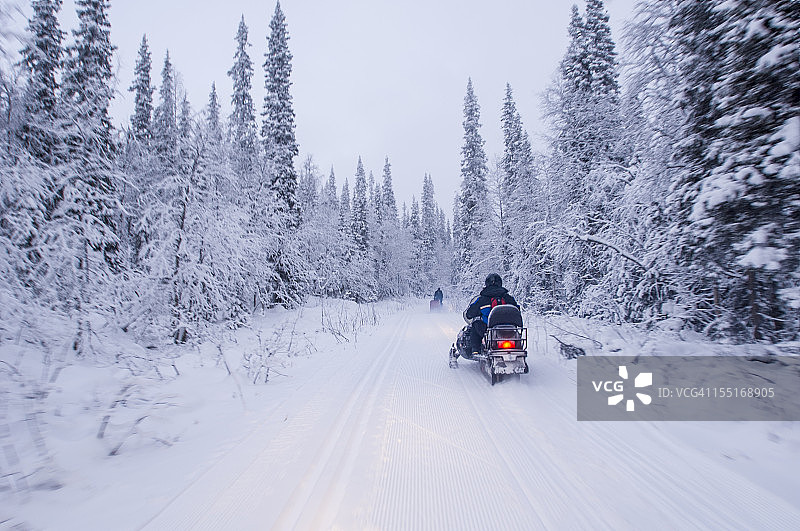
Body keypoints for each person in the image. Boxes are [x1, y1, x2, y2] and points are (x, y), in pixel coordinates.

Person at [464, 273, 519, 356]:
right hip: (509, 329)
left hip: (488, 328)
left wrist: (473, 313)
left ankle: (475, 350)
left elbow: (470, 313)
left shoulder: (482, 299)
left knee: (475, 325)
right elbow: (517, 310)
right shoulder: (508, 298)